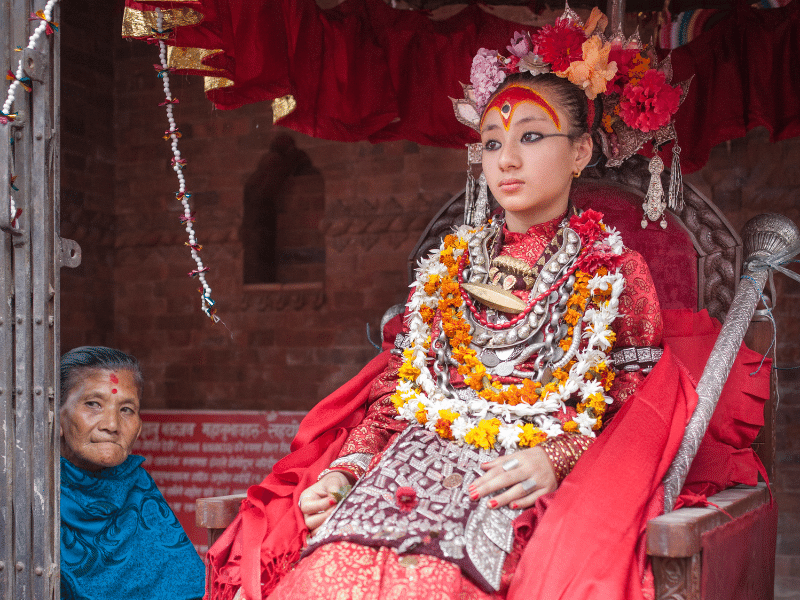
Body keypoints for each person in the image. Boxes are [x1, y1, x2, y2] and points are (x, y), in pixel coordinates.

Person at [206, 9, 767, 600]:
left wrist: (557, 457)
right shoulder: (448, 269)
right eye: (492, 141)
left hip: (522, 475)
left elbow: (632, 408)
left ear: (579, 153)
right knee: (326, 574)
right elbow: (398, 400)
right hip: (410, 464)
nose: (506, 159)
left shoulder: (616, 271)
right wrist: (346, 473)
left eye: (530, 135)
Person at [59, 346, 206, 600]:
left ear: (139, 427)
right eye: (93, 404)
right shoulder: (31, 488)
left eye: (126, 409)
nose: (112, 425)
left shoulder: (139, 491)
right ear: (55, 418)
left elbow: (187, 590)